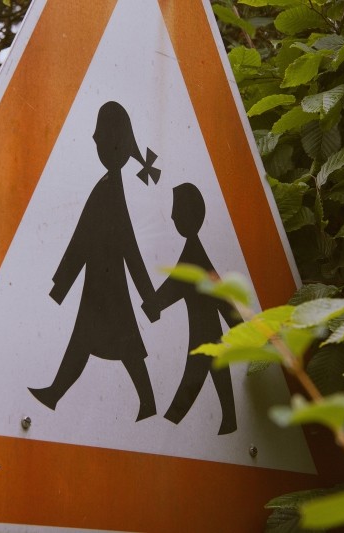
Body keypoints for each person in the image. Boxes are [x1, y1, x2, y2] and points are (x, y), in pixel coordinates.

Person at [29, 101, 160, 422]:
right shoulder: (106, 186)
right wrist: (61, 283)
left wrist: (149, 297)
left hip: (108, 284)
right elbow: (82, 239)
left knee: (121, 344)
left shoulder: (110, 190)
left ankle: (147, 403)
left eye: (98, 133)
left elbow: (128, 246)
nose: (92, 137)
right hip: (99, 281)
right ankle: (56, 393)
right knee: (90, 340)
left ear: (111, 140)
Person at [143, 183, 240, 435]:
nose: (173, 216)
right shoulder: (195, 252)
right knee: (216, 370)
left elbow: (177, 285)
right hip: (207, 331)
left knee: (194, 379)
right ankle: (229, 420)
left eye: (177, 210)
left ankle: (169, 428)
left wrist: (152, 304)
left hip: (203, 333)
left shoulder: (194, 254)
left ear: (189, 215)